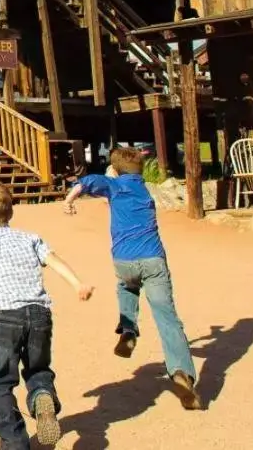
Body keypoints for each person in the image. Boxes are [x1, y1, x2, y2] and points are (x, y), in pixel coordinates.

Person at [63, 146, 201, 410]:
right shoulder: (143, 188)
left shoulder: (113, 186)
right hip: (154, 259)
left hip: (124, 260)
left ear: (114, 171)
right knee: (168, 318)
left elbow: (87, 182)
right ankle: (182, 372)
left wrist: (69, 201)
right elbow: (116, 177)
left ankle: (128, 329)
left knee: (126, 285)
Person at [0, 180, 93, 449]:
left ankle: (14, 441)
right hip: (39, 314)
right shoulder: (30, 238)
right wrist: (77, 284)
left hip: (5, 318)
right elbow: (53, 259)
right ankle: (42, 396)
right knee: (37, 368)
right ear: (11, 212)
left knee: (1, 381)